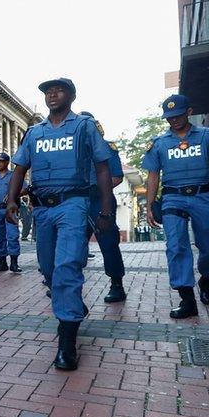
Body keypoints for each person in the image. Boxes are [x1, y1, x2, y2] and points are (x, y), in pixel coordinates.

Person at [5, 77, 114, 371]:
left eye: (59, 90)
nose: (52, 95)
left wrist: (105, 207)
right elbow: (20, 168)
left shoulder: (84, 127)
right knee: (48, 268)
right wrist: (11, 199)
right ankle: (72, 306)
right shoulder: (34, 132)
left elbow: (103, 167)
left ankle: (66, 339)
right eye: (48, 92)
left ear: (72, 96)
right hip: (43, 210)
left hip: (73, 204)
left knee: (67, 265)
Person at [143, 94, 209, 318]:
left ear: (189, 112)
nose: (173, 120)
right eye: (169, 117)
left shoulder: (208, 136)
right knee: (176, 246)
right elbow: (153, 175)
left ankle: (206, 279)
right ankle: (187, 299)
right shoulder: (159, 143)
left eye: (177, 115)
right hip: (173, 198)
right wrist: (149, 205)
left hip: (203, 196)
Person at [80, 111, 127, 303]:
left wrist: (97, 190)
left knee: (108, 243)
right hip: (76, 202)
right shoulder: (71, 149)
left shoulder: (107, 148)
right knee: (71, 244)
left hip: (100, 200)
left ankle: (117, 285)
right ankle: (66, 285)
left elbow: (116, 176)